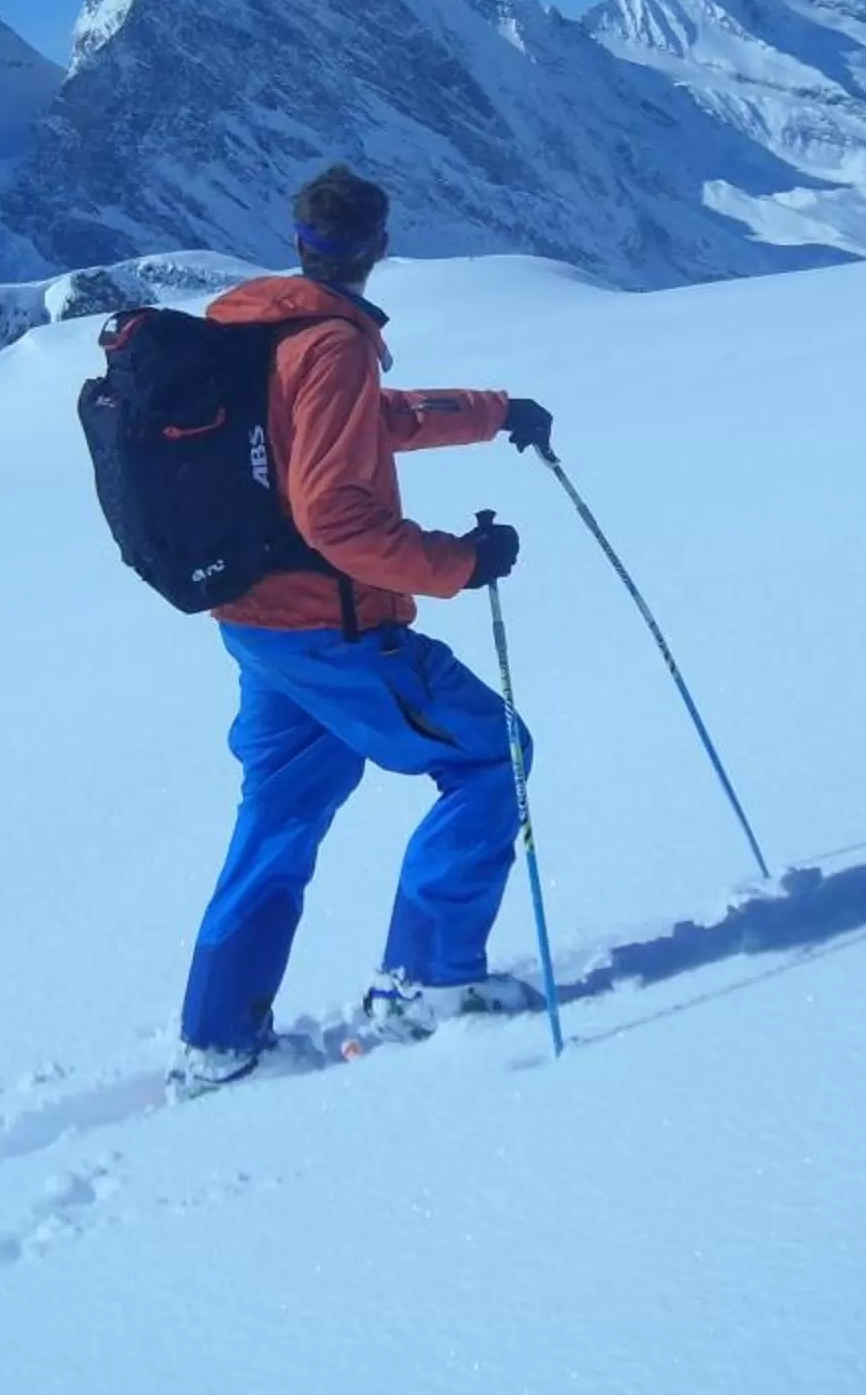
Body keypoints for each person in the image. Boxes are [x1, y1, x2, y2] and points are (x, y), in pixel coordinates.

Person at [174, 163, 560, 1093]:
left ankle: (218, 1038)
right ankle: (428, 981)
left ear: (299, 240)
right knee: (487, 757)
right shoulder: (333, 344)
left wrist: (494, 413)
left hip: (256, 621)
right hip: (332, 627)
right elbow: (336, 519)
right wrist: (460, 564)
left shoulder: (247, 325)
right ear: (379, 247)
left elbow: (361, 425)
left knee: (281, 811)